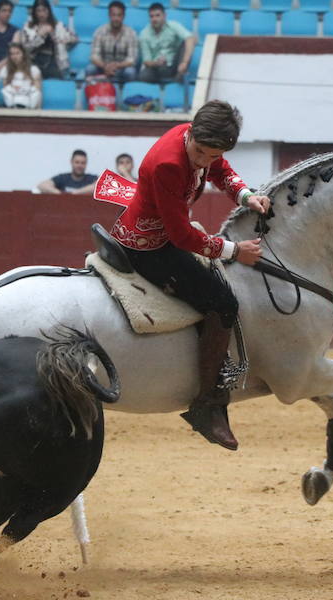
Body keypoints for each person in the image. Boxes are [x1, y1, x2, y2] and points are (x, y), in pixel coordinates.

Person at [109, 100, 270, 451]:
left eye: (212, 155)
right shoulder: (169, 163)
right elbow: (181, 236)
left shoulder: (195, 140)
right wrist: (234, 251)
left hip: (160, 234)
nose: (204, 161)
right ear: (192, 134)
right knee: (224, 304)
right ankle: (206, 405)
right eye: (200, 152)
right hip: (149, 246)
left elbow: (220, 169)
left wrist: (246, 196)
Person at [16, 0, 77, 80]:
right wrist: (39, 36)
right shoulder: (28, 26)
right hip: (34, 61)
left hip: (55, 63)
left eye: (44, 10)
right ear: (34, 12)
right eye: (38, 11)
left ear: (49, 10)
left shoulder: (58, 25)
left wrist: (56, 37)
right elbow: (25, 48)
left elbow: (74, 38)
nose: (41, 14)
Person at [138, 2, 196, 83]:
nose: (154, 19)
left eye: (157, 15)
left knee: (185, 43)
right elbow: (146, 61)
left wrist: (184, 62)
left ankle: (180, 75)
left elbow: (190, 38)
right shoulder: (144, 34)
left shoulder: (173, 26)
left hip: (174, 65)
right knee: (143, 75)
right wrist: (157, 63)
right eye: (151, 16)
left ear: (164, 16)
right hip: (156, 68)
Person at [87, 1, 138, 83]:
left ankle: (127, 94)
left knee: (130, 72)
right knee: (90, 69)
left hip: (122, 68)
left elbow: (132, 59)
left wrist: (117, 65)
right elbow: (94, 56)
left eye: (119, 15)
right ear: (109, 15)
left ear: (123, 16)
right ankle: (95, 95)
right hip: (103, 67)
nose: (116, 18)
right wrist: (105, 66)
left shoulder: (131, 33)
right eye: (113, 15)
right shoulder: (100, 31)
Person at [0, 42, 42, 108]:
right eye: (12, 54)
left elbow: (37, 91)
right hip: (12, 104)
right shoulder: (5, 70)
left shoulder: (33, 70)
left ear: (23, 54)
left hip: (28, 103)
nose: (14, 56)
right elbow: (6, 91)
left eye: (17, 53)